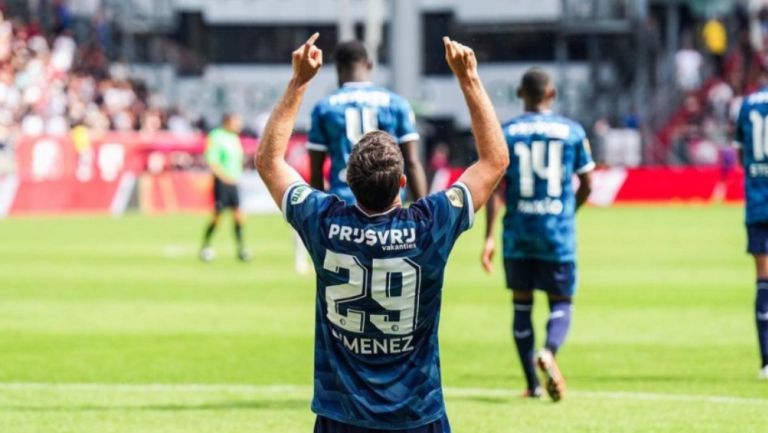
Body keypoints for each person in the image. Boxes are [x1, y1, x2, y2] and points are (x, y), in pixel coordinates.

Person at [256, 33, 508, 432]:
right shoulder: (429, 224)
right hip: (416, 412)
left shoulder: (323, 222)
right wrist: (469, 79)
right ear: (403, 181)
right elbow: (495, 161)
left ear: (348, 181)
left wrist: (299, 81)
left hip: (341, 415)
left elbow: (269, 162)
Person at [481, 68, 594, 401]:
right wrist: (567, 210)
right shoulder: (571, 131)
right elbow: (587, 183)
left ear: (520, 94)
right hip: (556, 233)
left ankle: (531, 384)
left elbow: (494, 189)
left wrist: (488, 237)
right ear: (552, 94)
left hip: (518, 234)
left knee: (521, 306)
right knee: (561, 302)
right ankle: (548, 350)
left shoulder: (507, 133)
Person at [307, 40, 428, 203]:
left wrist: (318, 216)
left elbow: (316, 172)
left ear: (338, 68)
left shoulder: (324, 108)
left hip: (344, 201)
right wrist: (424, 213)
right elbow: (412, 162)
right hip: (389, 201)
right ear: (370, 65)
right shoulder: (396, 103)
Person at [734, 81, 768, 380]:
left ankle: (766, 360)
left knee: (763, 282)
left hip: (758, 204)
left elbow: (740, 156)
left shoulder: (748, 105)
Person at [200, 113, 251, 262]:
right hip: (222, 182)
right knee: (218, 216)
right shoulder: (216, 136)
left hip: (234, 182)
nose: (239, 125)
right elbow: (212, 161)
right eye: (236, 122)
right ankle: (206, 246)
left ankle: (241, 249)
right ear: (227, 122)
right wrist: (224, 177)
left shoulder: (234, 138)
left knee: (238, 216)